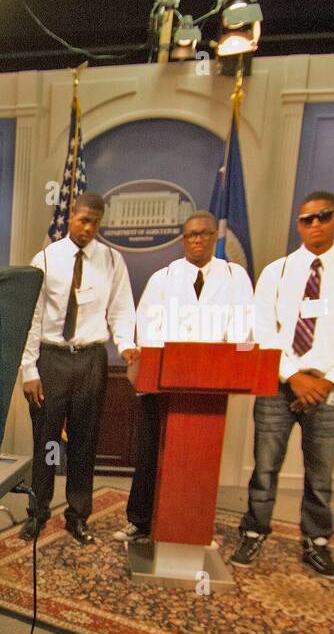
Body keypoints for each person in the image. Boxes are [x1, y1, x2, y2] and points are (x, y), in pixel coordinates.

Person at [231, 191, 334, 579]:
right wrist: (293, 376)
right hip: (280, 385)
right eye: (306, 219)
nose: (314, 224)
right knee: (264, 468)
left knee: (321, 475)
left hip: (328, 389)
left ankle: (317, 541)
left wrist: (326, 380)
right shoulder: (277, 271)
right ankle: (254, 530)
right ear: (298, 224)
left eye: (322, 216)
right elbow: (263, 330)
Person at [114, 210, 255, 543]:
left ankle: (192, 526)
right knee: (150, 454)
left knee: (197, 459)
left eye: (204, 234)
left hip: (210, 387)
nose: (197, 240)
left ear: (215, 237)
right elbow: (148, 327)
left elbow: (243, 327)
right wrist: (167, 363)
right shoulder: (163, 277)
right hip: (163, 383)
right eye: (191, 234)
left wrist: (214, 361)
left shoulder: (235, 277)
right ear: (183, 239)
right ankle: (141, 521)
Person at [19, 191, 137, 544]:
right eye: (83, 220)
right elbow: (32, 318)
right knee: (46, 441)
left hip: (91, 359)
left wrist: (127, 345)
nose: (88, 228)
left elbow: (121, 308)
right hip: (52, 358)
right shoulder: (45, 259)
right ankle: (38, 512)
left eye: (95, 223)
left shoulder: (112, 261)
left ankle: (78, 514)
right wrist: (29, 370)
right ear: (71, 217)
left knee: (85, 441)